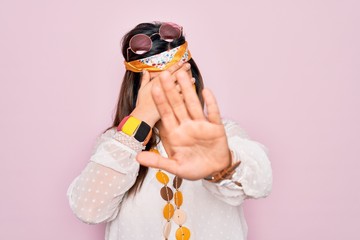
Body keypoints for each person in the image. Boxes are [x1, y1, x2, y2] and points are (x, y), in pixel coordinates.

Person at [67, 21, 272, 240]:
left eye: (177, 77)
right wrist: (141, 117)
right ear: (138, 89)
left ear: (193, 79)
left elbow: (260, 182)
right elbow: (88, 209)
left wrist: (222, 165)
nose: (170, 89)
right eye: (157, 82)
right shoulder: (116, 145)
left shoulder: (223, 134)